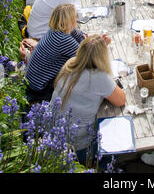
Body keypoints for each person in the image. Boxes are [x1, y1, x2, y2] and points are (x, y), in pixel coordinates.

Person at [51, 34, 126, 165]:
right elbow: (121, 100)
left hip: (52, 136)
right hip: (78, 148)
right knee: (118, 130)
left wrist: (99, 46)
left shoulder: (70, 64)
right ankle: (104, 165)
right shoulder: (99, 77)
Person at [24, 4, 87, 104]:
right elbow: (86, 58)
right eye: (75, 17)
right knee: (83, 78)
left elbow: (80, 36)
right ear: (70, 21)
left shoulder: (55, 31)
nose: (77, 20)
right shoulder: (62, 39)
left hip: (31, 82)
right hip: (40, 89)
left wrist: (83, 39)